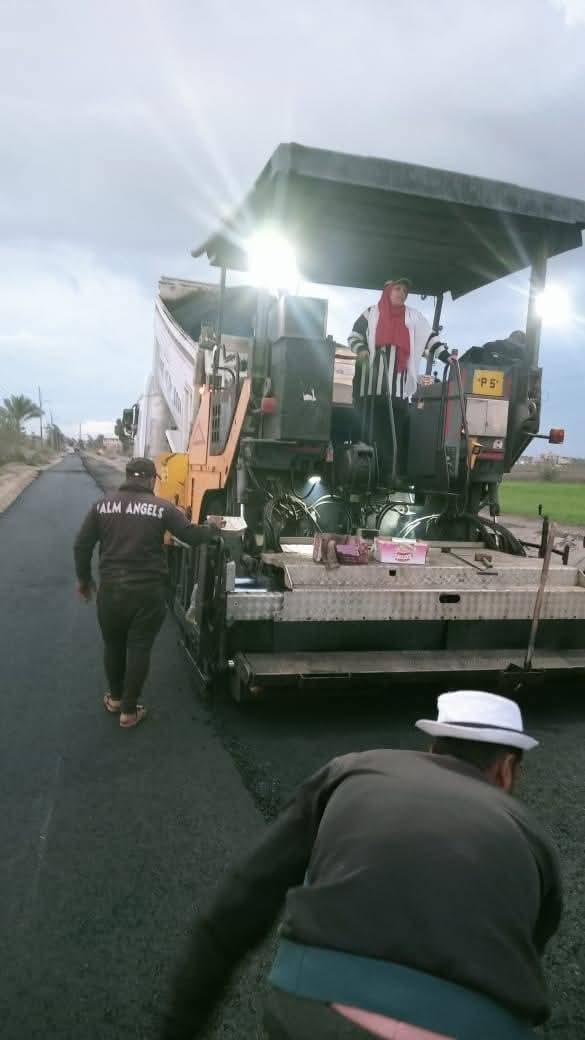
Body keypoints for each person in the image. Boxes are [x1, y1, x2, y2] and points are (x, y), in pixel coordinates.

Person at [159, 690, 561, 1040]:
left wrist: (181, 1026)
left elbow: (244, 895)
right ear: (507, 770)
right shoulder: (530, 834)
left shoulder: (352, 769)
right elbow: (528, 948)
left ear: (433, 749)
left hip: (312, 1002)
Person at [73, 457, 220, 729]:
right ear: (153, 480)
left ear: (127, 476)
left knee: (114, 645)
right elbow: (191, 536)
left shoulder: (102, 505)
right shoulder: (162, 507)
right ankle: (129, 711)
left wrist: (84, 579)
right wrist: (213, 527)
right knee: (139, 646)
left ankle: (115, 699)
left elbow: (82, 545)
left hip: (111, 590)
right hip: (148, 593)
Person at [348, 278, 451, 483]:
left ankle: (389, 475)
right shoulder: (370, 313)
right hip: (370, 390)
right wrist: (362, 350)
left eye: (404, 291)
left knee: (394, 433)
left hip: (398, 391)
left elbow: (429, 337)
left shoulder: (412, 317)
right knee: (371, 432)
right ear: (388, 290)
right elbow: (354, 336)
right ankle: (368, 476)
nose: (401, 293)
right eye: (397, 289)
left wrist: (446, 356)